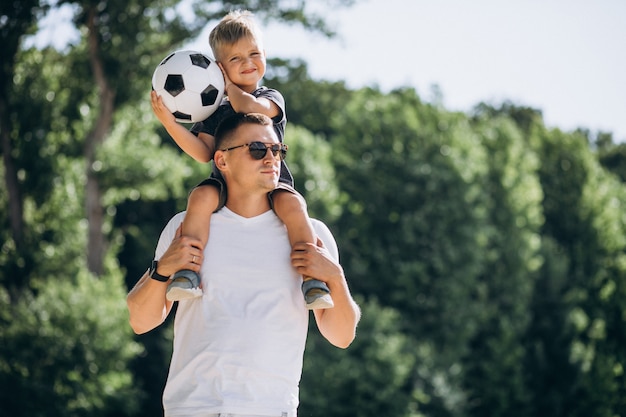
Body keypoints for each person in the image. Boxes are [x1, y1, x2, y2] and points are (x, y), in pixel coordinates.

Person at [127, 113, 361, 417]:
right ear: (222, 161)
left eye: (277, 150)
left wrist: (335, 277)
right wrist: (162, 269)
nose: (271, 158)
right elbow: (140, 321)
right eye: (256, 149)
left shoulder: (310, 234)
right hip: (192, 408)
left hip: (271, 409)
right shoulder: (185, 227)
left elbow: (341, 337)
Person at [151, 10, 332, 309]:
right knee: (199, 197)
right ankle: (187, 273)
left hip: (272, 182)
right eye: (236, 59)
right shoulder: (213, 108)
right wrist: (171, 124)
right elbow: (203, 152)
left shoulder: (269, 96)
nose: (248, 63)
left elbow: (251, 107)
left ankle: (312, 280)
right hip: (225, 183)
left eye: (254, 54)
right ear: (220, 67)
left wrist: (227, 86)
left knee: (294, 206)